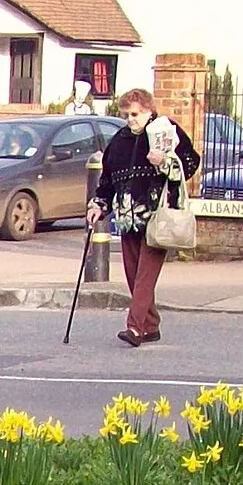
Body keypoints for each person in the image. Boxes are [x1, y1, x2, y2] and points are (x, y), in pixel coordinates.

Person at [87, 88, 200, 347]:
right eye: (126, 115)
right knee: (133, 274)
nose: (130, 120)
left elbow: (191, 164)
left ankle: (135, 328)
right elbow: (107, 180)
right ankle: (150, 326)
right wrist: (99, 205)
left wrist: (166, 161)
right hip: (128, 219)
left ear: (149, 111)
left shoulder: (165, 130)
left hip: (156, 217)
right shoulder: (119, 140)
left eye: (135, 114)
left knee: (144, 277)